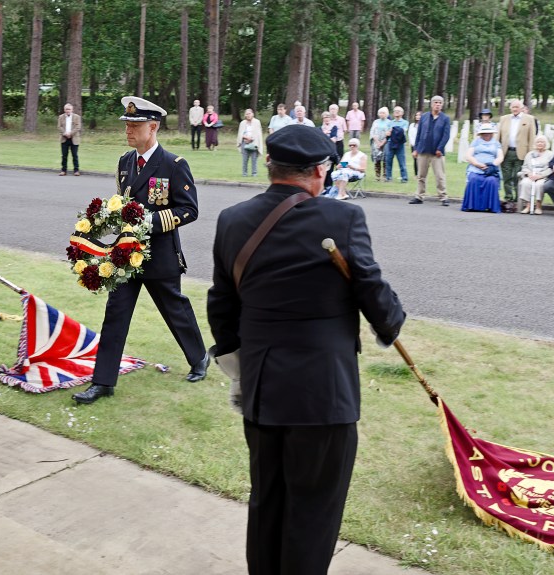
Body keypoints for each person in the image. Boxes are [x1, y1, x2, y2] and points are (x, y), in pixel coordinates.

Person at [206, 123, 405, 575]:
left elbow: (221, 305)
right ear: (319, 171)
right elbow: (371, 287)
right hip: (323, 392)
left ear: (270, 165)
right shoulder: (343, 218)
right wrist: (391, 325)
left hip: (263, 387)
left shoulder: (233, 219)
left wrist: (241, 370)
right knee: (313, 511)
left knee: (268, 501)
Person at [72, 97, 209, 405]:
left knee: (174, 309)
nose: (128, 131)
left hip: (160, 255)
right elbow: (122, 202)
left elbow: (189, 209)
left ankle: (199, 357)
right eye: (127, 125)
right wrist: (105, 219)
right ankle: (103, 382)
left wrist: (149, 221)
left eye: (135, 125)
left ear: (153, 127)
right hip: (125, 256)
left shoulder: (174, 165)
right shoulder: (125, 162)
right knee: (115, 314)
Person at [410, 96, 451, 206]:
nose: (437, 104)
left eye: (440, 103)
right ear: (432, 104)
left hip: (437, 153)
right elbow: (419, 134)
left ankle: (443, 197)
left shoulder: (445, 119)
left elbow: (446, 136)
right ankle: (419, 196)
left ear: (442, 105)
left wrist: (440, 148)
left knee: (440, 175)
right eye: (436, 102)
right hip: (423, 150)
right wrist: (416, 149)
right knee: (421, 175)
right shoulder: (424, 117)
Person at [497, 99, 538, 204]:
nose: (515, 109)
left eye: (517, 107)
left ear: (521, 108)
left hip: (521, 153)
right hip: (506, 151)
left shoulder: (529, 119)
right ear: (510, 108)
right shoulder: (504, 119)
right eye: (513, 107)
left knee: (517, 176)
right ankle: (508, 197)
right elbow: (499, 136)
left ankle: (518, 198)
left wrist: (530, 154)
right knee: (506, 176)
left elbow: (532, 138)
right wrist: (497, 151)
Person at [461, 123, 503, 213]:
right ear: (481, 134)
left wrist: (492, 165)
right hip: (476, 168)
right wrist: (477, 164)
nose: (487, 134)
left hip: (490, 170)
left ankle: (491, 206)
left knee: (491, 181)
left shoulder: (496, 143)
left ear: (492, 133)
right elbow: (468, 155)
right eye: (484, 133)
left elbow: (500, 157)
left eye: (489, 132)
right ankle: (471, 206)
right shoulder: (475, 142)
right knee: (473, 179)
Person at [517, 134, 554, 214]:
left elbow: (551, 168)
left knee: (539, 185)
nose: (540, 143)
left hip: (543, 177)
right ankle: (528, 206)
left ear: (546, 144)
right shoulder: (529, 154)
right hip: (530, 176)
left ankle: (538, 206)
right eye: (538, 142)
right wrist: (528, 173)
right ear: (535, 143)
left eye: (542, 142)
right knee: (525, 183)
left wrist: (540, 176)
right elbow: (524, 167)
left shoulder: (550, 154)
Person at [384, 106, 409, 183]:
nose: (397, 112)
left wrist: (393, 130)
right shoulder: (390, 122)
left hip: (400, 144)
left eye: (398, 111)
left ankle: (404, 178)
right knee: (388, 161)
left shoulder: (405, 122)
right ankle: (388, 177)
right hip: (390, 143)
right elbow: (387, 133)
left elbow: (402, 131)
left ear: (402, 113)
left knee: (402, 161)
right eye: (395, 111)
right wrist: (393, 131)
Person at [237, 108, 264, 177]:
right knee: (245, 159)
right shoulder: (242, 123)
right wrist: (245, 138)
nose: (248, 115)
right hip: (244, 142)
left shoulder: (257, 122)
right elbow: (240, 134)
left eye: (249, 114)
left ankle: (254, 173)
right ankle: (244, 173)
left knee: (254, 159)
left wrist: (251, 139)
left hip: (254, 143)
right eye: (246, 114)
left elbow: (258, 133)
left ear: (252, 114)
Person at [58, 103, 82, 176]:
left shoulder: (77, 117)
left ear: (72, 110)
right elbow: (59, 127)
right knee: (64, 155)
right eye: (66, 109)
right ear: (64, 110)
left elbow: (78, 127)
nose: (68, 110)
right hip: (64, 138)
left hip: (74, 139)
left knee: (75, 155)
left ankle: (76, 170)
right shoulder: (61, 117)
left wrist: (70, 133)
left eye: (69, 109)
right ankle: (63, 170)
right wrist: (65, 133)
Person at [369, 107, 390, 180]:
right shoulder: (376, 122)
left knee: (385, 159)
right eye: (380, 113)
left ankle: (385, 175)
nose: (381, 114)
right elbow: (372, 132)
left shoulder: (389, 122)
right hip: (376, 142)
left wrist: (382, 143)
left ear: (386, 114)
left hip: (385, 142)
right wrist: (377, 142)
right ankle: (377, 175)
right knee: (377, 159)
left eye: (383, 113)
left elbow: (389, 133)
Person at [408, 110, 421, 177]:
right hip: (414, 145)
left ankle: (421, 173)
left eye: (419, 115)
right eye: (416, 115)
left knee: (421, 159)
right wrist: (413, 144)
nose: (418, 116)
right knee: (415, 159)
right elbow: (410, 135)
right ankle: (416, 174)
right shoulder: (412, 125)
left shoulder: (423, 125)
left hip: (421, 145)